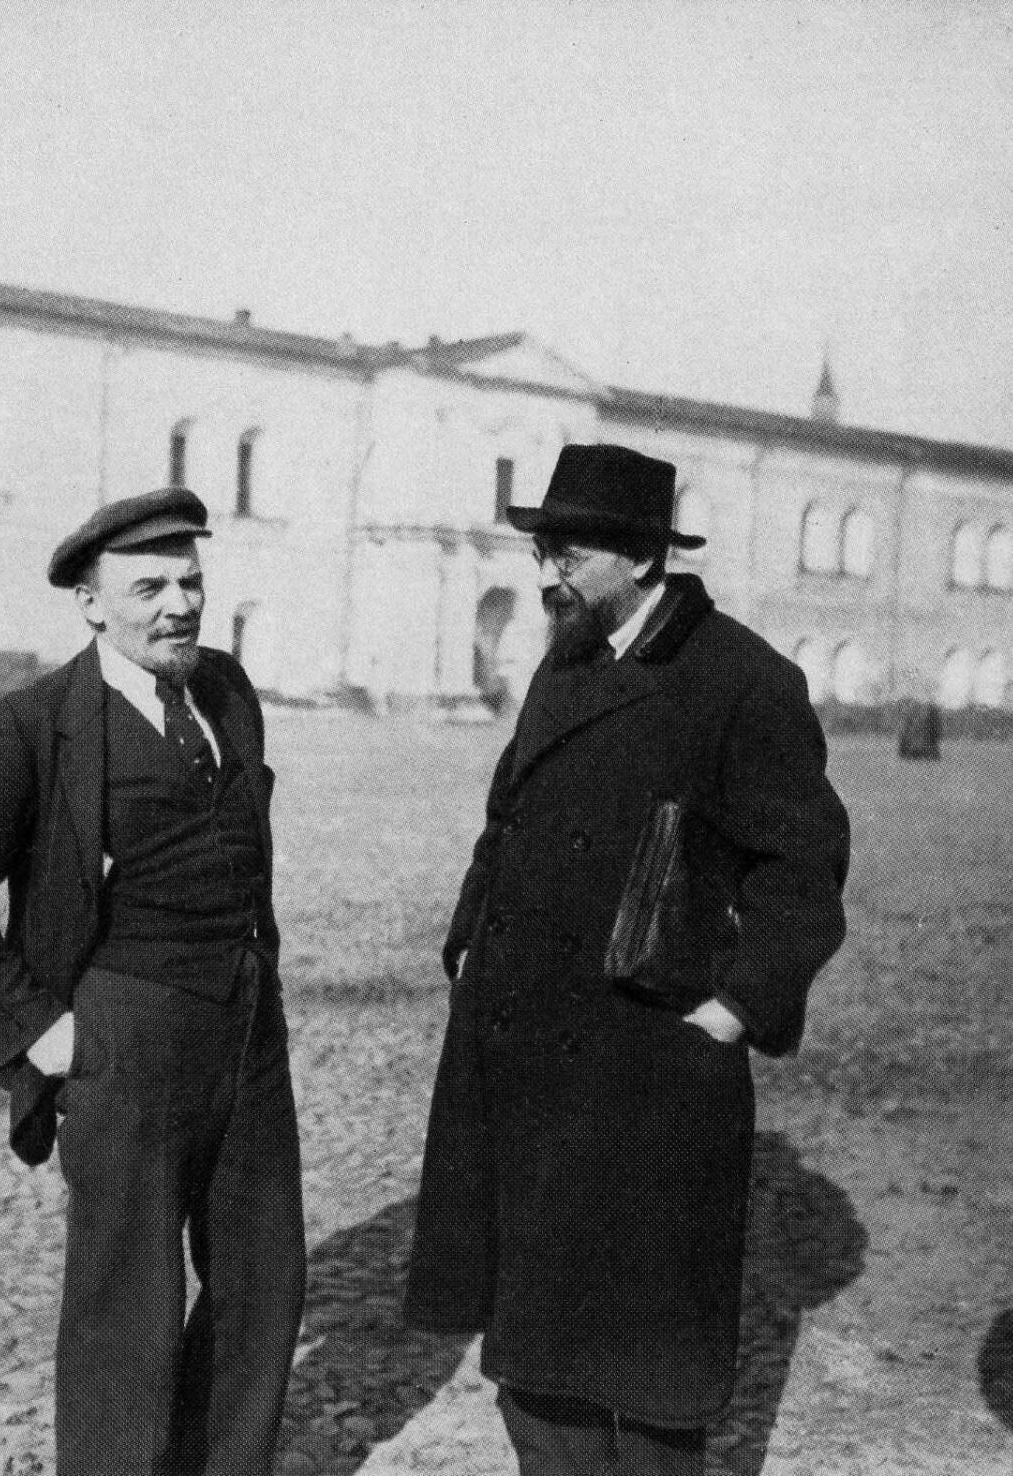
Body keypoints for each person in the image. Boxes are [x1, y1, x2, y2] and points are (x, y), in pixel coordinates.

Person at [404, 444, 850, 1476]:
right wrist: (471, 937)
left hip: (651, 1060)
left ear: (645, 557)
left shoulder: (742, 680)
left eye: (570, 554)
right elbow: (509, 815)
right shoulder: (566, 659)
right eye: (543, 551)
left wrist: (736, 1008)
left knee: (649, 1370)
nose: (548, 573)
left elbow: (804, 868)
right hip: (524, 1052)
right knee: (535, 1352)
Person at [0, 487, 305, 1476]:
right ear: (90, 603)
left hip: (246, 1028)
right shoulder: (36, 725)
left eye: (190, 583)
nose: (180, 606)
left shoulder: (226, 690)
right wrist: (41, 1032)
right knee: (127, 1304)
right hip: (125, 1035)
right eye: (149, 588)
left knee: (262, 1280)